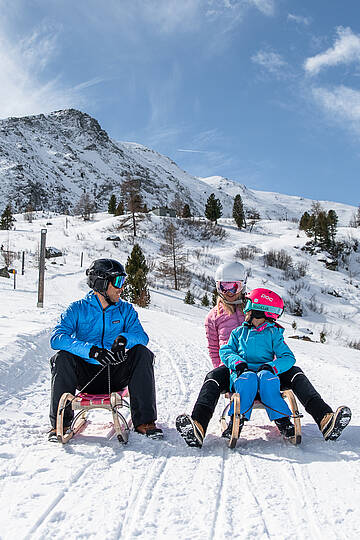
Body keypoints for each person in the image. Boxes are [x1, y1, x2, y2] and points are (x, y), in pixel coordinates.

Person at [176, 262, 351, 447]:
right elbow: (215, 349)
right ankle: (198, 427)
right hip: (236, 369)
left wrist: (273, 367)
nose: (228, 291)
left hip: (268, 370)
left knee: (296, 372)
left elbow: (278, 340)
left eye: (233, 286)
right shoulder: (213, 316)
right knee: (212, 378)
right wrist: (231, 373)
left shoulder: (256, 305)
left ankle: (325, 419)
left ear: (242, 284)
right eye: (223, 286)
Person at [48, 258, 162, 442]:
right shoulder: (77, 309)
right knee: (61, 357)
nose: (121, 287)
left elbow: (142, 337)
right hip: (86, 376)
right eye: (117, 282)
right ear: (101, 282)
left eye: (123, 282)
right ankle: (61, 423)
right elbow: (57, 338)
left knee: (142, 352)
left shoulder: (126, 310)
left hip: (116, 375)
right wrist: (91, 351)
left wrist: (124, 339)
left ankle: (144, 421)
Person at [219, 288, 297, 440]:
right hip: (243, 373)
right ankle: (237, 420)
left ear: (260, 310)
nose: (245, 310)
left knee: (267, 377)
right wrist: (238, 363)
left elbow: (288, 357)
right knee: (247, 379)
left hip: (264, 374)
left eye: (248, 306)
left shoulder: (273, 333)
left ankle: (282, 420)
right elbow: (226, 351)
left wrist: (272, 366)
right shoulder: (238, 332)